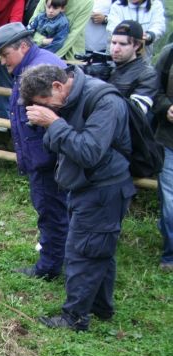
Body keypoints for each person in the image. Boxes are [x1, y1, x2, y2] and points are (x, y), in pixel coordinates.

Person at [21, 64, 136, 331]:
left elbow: (89, 152)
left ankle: (75, 318)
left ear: (58, 87)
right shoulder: (70, 100)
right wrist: (52, 126)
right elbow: (59, 144)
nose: (47, 110)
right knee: (98, 249)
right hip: (83, 187)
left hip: (103, 190)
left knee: (82, 253)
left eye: (45, 103)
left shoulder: (105, 102)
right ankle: (100, 307)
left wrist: (54, 123)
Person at [0, 23, 68, 280]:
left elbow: (62, 115)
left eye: (5, 54)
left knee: (51, 210)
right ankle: (60, 254)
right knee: (51, 208)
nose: (3, 62)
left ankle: (49, 267)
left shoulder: (44, 70)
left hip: (49, 160)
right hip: (41, 157)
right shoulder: (27, 67)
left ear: (23, 46)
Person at [107, 20, 158, 115]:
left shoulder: (147, 75)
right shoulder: (107, 66)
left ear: (137, 45)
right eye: (113, 43)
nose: (116, 49)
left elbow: (135, 113)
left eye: (123, 44)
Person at [153, 42, 173, 271]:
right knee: (170, 201)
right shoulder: (169, 53)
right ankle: (170, 254)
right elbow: (154, 91)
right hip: (169, 141)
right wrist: (166, 107)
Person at [28, 0, 93, 60]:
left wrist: (48, 58)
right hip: (35, 48)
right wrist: (41, 40)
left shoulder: (87, 2)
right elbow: (32, 23)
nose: (51, 10)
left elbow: (73, 35)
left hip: (68, 54)